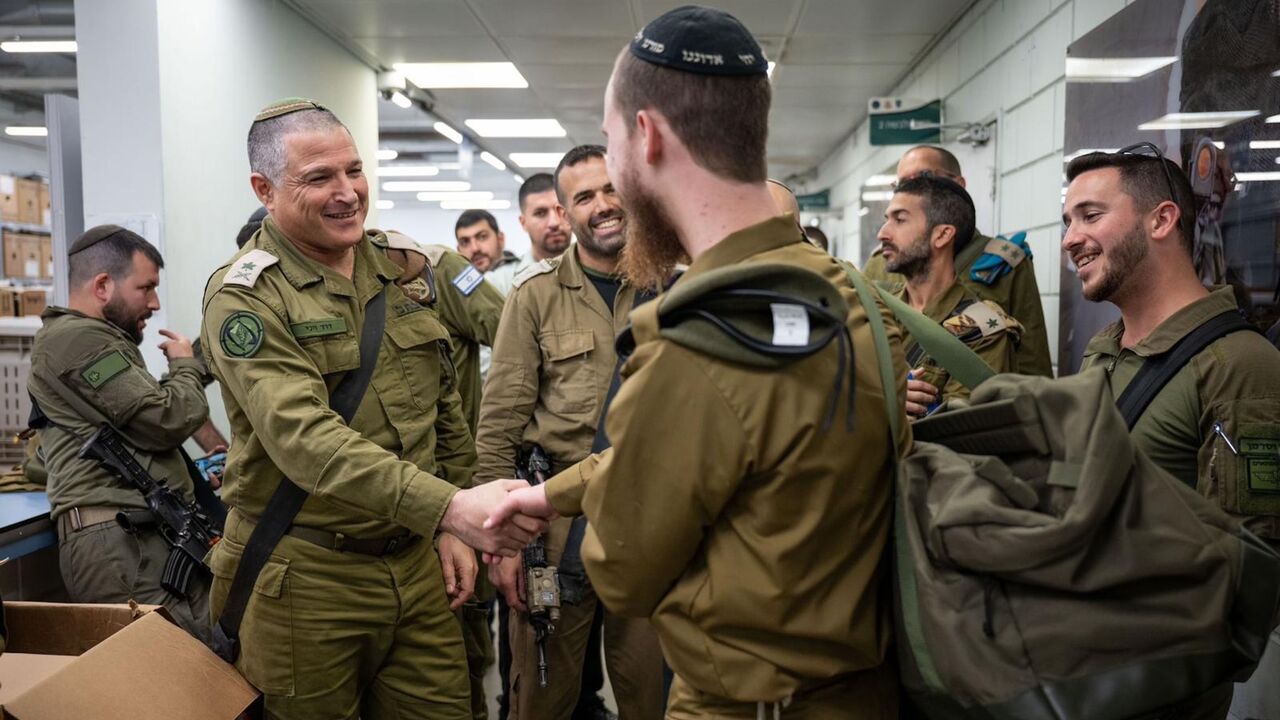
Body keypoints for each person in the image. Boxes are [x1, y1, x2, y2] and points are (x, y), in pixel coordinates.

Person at [487, 8, 907, 718]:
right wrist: (550, 495)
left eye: (612, 142)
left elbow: (624, 571)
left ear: (646, 137)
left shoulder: (694, 341)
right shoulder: (852, 295)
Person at [200, 98, 544, 720]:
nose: (347, 192)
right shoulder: (245, 298)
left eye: (354, 170)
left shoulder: (404, 267)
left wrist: (446, 522)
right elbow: (307, 441)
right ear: (265, 189)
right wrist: (450, 508)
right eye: (319, 178)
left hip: (416, 569)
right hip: (306, 576)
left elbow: (443, 411)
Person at [1063, 146, 1280, 720]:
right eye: (1067, 221)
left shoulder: (1238, 365)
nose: (1069, 238)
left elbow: (1254, 569)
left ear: (1161, 220)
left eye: (1089, 216)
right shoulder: (1103, 351)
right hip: (1074, 670)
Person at [476, 144, 665, 720]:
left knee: (654, 697)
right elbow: (499, 424)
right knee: (542, 698)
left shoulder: (675, 288)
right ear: (562, 212)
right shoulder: (533, 297)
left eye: (612, 190)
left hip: (653, 525)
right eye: (584, 197)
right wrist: (499, 544)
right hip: (554, 532)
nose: (603, 205)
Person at [28, 224, 214, 644]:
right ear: (102, 285)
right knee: (179, 671)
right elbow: (165, 419)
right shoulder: (77, 341)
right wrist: (184, 365)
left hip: (138, 536)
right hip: (122, 545)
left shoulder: (91, 340)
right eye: (145, 288)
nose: (154, 302)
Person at [377, 229, 506, 720]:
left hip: (450, 487)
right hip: (378, 507)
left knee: (461, 645)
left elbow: (510, 335)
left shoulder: (437, 268)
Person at [863, 145, 1053, 376]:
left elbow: (1031, 358)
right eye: (902, 182)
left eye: (924, 176)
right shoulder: (882, 261)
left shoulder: (1003, 262)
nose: (911, 187)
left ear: (959, 183)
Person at [876, 175, 1021, 416]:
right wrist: (880, 397)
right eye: (886, 220)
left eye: (900, 220)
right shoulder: (875, 309)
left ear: (942, 235)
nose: (883, 233)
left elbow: (960, 426)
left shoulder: (981, 328)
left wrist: (881, 403)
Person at [458, 209, 523, 296]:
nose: (475, 248)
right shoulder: (458, 291)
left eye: (482, 237)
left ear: (500, 239)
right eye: (465, 242)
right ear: (459, 251)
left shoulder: (524, 275)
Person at [518, 173, 571, 265]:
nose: (554, 223)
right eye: (540, 213)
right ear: (523, 223)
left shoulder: (600, 269)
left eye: (560, 209)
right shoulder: (501, 278)